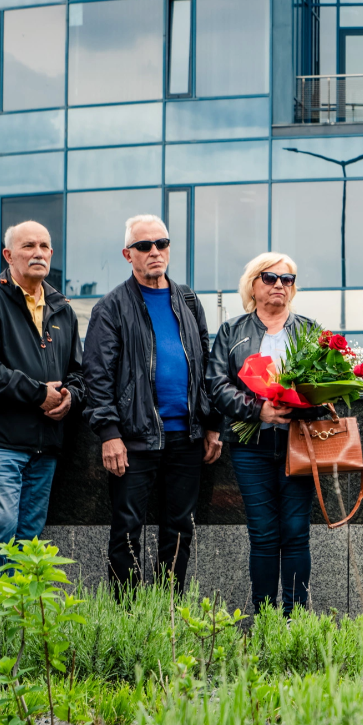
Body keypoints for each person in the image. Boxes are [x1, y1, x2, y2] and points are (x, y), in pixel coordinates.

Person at [84, 215, 222, 594]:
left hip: (187, 437)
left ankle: (167, 611)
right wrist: (109, 434)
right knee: (127, 531)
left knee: (180, 529)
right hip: (134, 438)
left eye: (162, 243)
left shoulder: (188, 300)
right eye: (144, 246)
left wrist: (212, 425)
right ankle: (129, 614)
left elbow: (207, 368)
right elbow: (97, 375)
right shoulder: (111, 307)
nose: (155, 252)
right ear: (128, 254)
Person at [207, 253, 323, 617]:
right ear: (253, 284)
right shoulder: (231, 331)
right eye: (270, 278)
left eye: (287, 280)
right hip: (250, 447)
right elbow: (216, 384)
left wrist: (303, 403)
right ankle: (267, 621)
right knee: (262, 534)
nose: (279, 286)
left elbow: (325, 388)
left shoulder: (310, 330)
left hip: (297, 443)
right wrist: (258, 409)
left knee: (296, 532)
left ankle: (295, 620)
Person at [0, 222, 83, 564]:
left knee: (30, 538)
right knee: (1, 529)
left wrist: (70, 397)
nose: (38, 253)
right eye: (28, 246)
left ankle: (21, 600)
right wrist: (37, 393)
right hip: (0, 442)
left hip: (46, 446)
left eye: (44, 246)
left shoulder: (63, 308)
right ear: (8, 255)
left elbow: (79, 373)